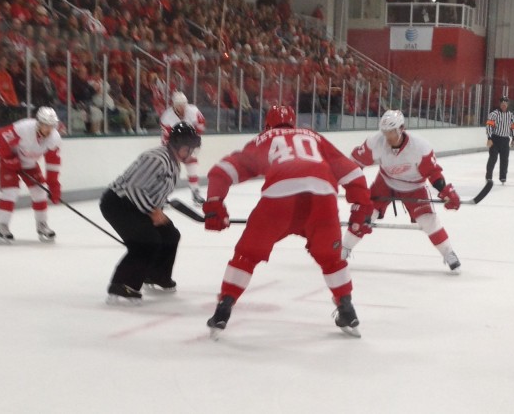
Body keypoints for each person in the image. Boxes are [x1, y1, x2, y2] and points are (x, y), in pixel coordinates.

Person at [202, 105, 373, 339]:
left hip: (278, 201)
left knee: (247, 255)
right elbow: (352, 173)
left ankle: (223, 309)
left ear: (267, 125)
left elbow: (222, 171)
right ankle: (347, 309)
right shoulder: (314, 137)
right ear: (293, 124)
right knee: (332, 259)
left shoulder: (264, 139)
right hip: (322, 198)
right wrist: (361, 207)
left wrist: (214, 203)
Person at [340, 110, 462, 274]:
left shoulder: (420, 147)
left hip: (414, 187)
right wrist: (351, 184)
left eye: (391, 132)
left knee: (428, 220)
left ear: (402, 128)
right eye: (385, 132)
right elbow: (355, 163)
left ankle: (448, 253)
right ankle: (343, 250)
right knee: (363, 215)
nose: (387, 137)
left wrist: (445, 191)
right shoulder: (375, 142)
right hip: (385, 182)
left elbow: (433, 173)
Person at [100, 122, 202, 304]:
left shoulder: (173, 163)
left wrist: (157, 212)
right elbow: (134, 188)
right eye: (188, 148)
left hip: (137, 204)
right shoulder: (158, 159)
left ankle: (155, 275)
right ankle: (122, 284)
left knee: (170, 235)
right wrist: (153, 212)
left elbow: (156, 192)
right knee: (146, 241)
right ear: (177, 144)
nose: (190, 152)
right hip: (118, 204)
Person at [0, 106, 62, 243]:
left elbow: (53, 163)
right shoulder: (24, 128)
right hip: (8, 161)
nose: (48, 129)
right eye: (45, 125)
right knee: (10, 191)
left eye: (51, 126)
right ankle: (2, 226)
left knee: (40, 191)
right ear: (38, 123)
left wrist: (54, 185)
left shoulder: (55, 138)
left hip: (29, 163)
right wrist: (8, 157)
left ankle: (42, 225)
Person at [159, 91, 207, 205]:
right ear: (174, 105)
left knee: (192, 163)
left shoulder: (193, 111)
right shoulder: (167, 116)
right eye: (179, 105)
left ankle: (195, 191)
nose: (182, 108)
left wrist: (193, 144)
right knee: (169, 168)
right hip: (173, 143)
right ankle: (162, 194)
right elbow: (166, 138)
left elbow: (200, 129)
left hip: (188, 142)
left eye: (183, 104)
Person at [485, 96, 514, 184]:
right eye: (502, 104)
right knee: (493, 158)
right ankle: (489, 176)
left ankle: (503, 177)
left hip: (505, 140)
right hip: (495, 139)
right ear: (500, 104)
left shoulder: (510, 115)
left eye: (505, 104)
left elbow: (513, 127)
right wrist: (489, 138)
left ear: (507, 104)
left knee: (504, 160)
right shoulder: (494, 114)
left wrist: (513, 138)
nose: (503, 105)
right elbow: (489, 126)